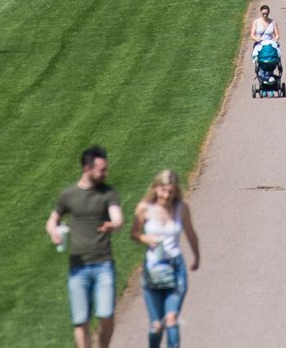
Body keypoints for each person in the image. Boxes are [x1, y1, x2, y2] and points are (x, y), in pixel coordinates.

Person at [45, 145, 124, 348]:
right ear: (87, 169)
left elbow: (118, 217)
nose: (105, 173)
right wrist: (53, 232)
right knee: (81, 321)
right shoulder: (68, 196)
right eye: (102, 170)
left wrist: (113, 224)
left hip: (103, 264)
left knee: (106, 315)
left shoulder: (108, 193)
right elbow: (52, 220)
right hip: (78, 267)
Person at [132, 168, 200, 347]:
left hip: (175, 268)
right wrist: (146, 238)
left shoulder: (181, 208)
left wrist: (196, 256)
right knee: (156, 326)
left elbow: (191, 233)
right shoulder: (144, 208)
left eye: (171, 191)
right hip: (153, 269)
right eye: (163, 190)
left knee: (171, 319)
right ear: (156, 188)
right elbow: (134, 233)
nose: (166, 195)